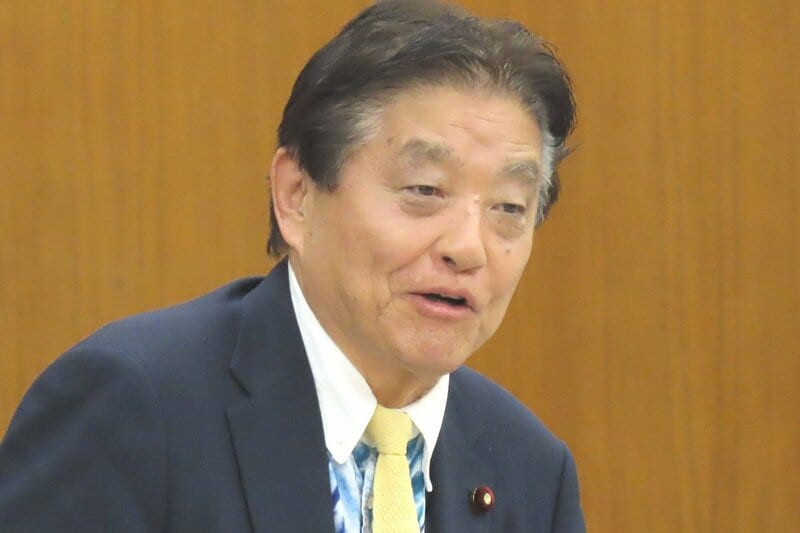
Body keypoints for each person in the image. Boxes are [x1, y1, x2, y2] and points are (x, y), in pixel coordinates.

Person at [0, 0, 583, 531]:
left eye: (509, 208)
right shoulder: (135, 407)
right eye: (425, 190)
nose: (469, 247)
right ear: (296, 195)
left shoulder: (531, 470)